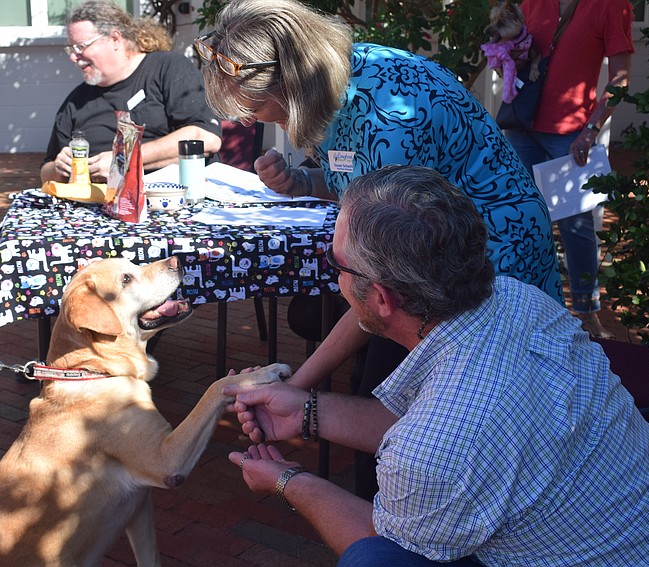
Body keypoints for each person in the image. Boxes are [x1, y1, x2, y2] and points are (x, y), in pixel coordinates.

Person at [197, 0, 564, 500]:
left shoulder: (392, 117)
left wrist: (297, 385)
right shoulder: (341, 77)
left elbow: (378, 285)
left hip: (491, 267)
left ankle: (399, 518)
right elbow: (352, 177)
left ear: (291, 86)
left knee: (427, 413)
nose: (252, 120)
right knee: (382, 385)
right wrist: (302, 180)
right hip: (428, 263)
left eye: (256, 108)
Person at [225, 165, 649, 566]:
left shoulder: (431, 457)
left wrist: (288, 481)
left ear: (382, 298)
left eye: (335, 263)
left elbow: (385, 544)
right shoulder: (520, 299)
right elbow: (435, 431)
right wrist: (303, 410)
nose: (333, 276)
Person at [503, 0, 634, 339]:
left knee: (576, 229)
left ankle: (587, 312)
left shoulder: (611, 6)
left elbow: (620, 79)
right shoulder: (531, 3)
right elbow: (518, 54)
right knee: (523, 219)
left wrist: (591, 131)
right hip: (523, 127)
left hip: (572, 136)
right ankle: (528, 306)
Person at [40, 0, 222, 183]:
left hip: (175, 199)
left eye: (81, 46)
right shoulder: (76, 102)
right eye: (71, 49)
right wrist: (58, 168)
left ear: (115, 39)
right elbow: (45, 171)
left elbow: (206, 137)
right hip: (99, 206)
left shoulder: (168, 69)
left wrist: (123, 159)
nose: (73, 57)